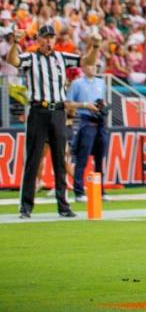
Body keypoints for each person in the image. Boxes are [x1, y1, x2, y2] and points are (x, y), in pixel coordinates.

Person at [8, 25, 101, 219]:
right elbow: (13, 60)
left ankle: (63, 206)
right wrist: (15, 43)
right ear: (39, 39)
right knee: (33, 160)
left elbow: (86, 62)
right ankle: (26, 207)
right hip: (38, 110)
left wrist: (95, 47)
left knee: (60, 160)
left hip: (58, 111)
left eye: (51, 37)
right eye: (45, 37)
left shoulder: (61, 57)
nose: (49, 41)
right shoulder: (31, 57)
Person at [66, 63, 109, 202]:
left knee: (99, 159)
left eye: (95, 65)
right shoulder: (77, 83)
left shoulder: (101, 82)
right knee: (82, 158)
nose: (93, 68)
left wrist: (103, 107)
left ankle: (100, 191)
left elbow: (103, 101)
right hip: (86, 120)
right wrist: (85, 105)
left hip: (100, 122)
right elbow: (68, 103)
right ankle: (79, 192)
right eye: (89, 65)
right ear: (83, 68)